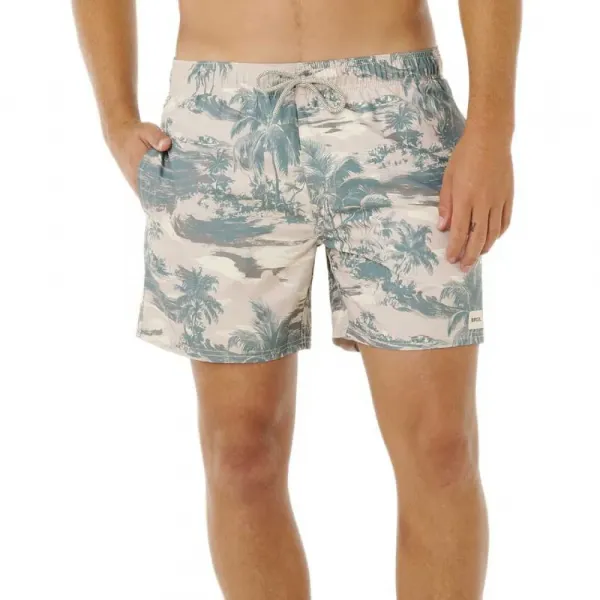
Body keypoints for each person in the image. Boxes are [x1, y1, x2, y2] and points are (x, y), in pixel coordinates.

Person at [73, 0, 520, 597]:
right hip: (220, 117)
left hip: (395, 109)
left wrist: (492, 129)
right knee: (240, 454)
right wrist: (115, 117)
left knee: (440, 448)